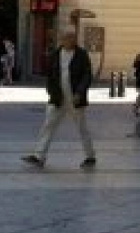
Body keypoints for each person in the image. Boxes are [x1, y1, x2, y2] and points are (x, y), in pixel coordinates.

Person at [28, 33, 96, 169]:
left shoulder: (81, 55)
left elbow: (87, 75)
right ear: (62, 40)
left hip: (75, 97)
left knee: (82, 127)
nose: (70, 41)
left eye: (72, 38)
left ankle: (90, 156)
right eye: (67, 38)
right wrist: (51, 91)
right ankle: (39, 155)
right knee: (49, 124)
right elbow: (50, 75)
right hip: (58, 96)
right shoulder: (55, 54)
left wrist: (80, 92)